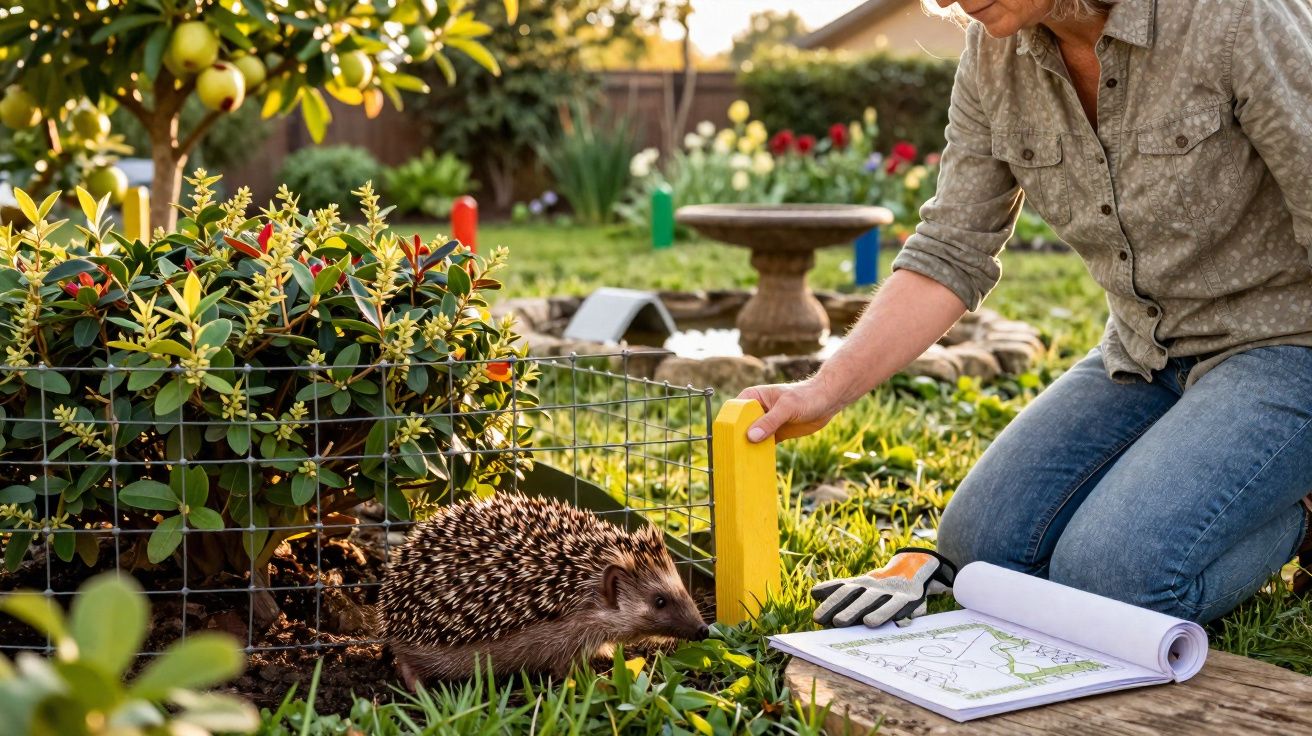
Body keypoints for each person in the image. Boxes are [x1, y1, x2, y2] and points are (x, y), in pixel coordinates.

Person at [740, 0, 1312, 627]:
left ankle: (1298, 509)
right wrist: (824, 390)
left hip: (1285, 345)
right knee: (979, 555)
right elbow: (951, 248)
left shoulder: (1235, 18)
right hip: (1144, 353)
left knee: (1115, 582)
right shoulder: (994, 55)